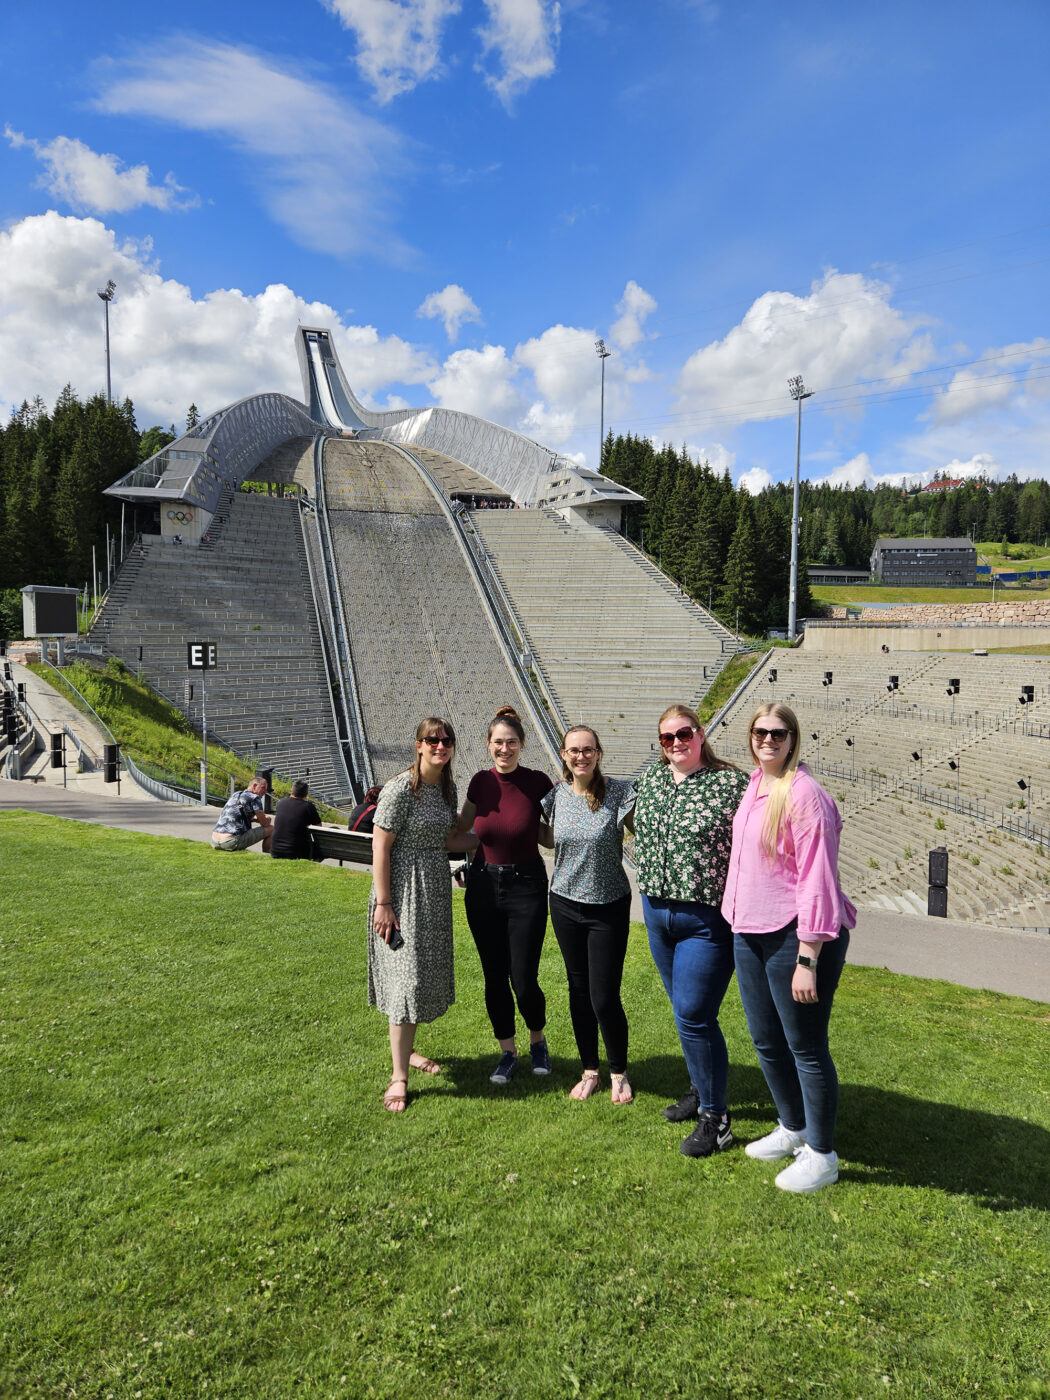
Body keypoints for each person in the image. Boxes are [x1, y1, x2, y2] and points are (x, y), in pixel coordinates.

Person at [722, 703, 855, 1193]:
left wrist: (807, 957)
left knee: (806, 1047)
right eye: (760, 732)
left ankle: (822, 1155)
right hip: (750, 930)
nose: (768, 740)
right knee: (765, 1039)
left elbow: (817, 881)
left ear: (793, 738)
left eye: (778, 733)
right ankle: (792, 1126)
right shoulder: (756, 785)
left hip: (794, 937)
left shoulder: (804, 794)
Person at [633, 704, 749, 1157]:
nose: (676, 743)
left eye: (684, 734)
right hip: (657, 912)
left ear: (700, 735)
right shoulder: (653, 780)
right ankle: (702, 1091)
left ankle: (717, 1120)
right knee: (685, 1014)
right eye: (667, 738)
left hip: (705, 919)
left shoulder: (731, 784)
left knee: (695, 1013)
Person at [369, 718, 478, 1112]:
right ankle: (399, 1076)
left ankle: (408, 1052)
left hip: (432, 890)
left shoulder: (445, 788)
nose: (440, 745)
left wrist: (490, 836)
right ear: (418, 745)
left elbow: (448, 839)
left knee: (419, 978)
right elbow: (380, 847)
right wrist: (384, 903)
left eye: (446, 740)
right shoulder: (401, 788)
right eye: (432, 740)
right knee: (406, 980)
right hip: (400, 892)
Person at [458, 705, 554, 1085]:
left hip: (527, 886)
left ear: (522, 744)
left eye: (511, 742)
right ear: (488, 745)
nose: (504, 748)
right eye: (498, 742)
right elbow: (464, 829)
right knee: (494, 976)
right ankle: (507, 1051)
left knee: (524, 978)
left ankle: (538, 1039)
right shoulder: (479, 782)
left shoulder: (538, 782)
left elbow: (549, 831)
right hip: (483, 886)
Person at [540, 725, 635, 1104]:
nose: (581, 756)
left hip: (608, 905)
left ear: (598, 753)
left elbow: (639, 830)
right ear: (563, 755)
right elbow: (547, 837)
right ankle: (590, 1070)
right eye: (574, 750)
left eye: (588, 750)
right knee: (578, 991)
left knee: (604, 995)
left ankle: (619, 1071)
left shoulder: (618, 793)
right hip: (564, 903)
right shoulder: (555, 797)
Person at [210, 773, 273, 851]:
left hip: (214, 841)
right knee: (272, 829)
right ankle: (266, 855)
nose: (265, 791)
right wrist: (268, 819)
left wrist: (256, 819)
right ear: (254, 786)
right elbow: (264, 823)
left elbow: (237, 816)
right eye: (263, 788)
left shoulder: (236, 794)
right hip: (230, 842)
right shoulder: (255, 798)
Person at [270, 779, 322, 860]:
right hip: (295, 851)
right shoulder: (308, 806)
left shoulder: (281, 803)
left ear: (292, 791)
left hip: (275, 850)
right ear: (306, 794)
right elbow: (318, 828)